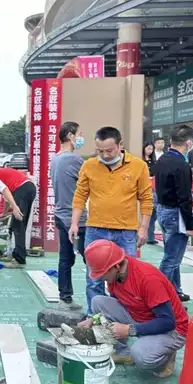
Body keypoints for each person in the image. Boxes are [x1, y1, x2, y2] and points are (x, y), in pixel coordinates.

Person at [69, 126, 153, 315]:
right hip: (95, 230)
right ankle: (95, 316)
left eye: (109, 151)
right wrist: (74, 223)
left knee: (126, 277)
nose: (105, 155)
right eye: (100, 151)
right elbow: (80, 195)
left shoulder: (138, 166)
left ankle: (123, 317)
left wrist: (143, 228)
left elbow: (146, 199)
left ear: (120, 145)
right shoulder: (89, 166)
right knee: (94, 278)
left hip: (126, 232)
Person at [79, 240, 188, 377]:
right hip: (141, 316)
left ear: (116, 266)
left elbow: (168, 322)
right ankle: (123, 353)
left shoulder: (148, 279)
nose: (100, 278)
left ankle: (166, 359)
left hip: (172, 330)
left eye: (102, 274)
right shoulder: (115, 275)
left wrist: (129, 330)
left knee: (141, 356)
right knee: (98, 302)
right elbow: (118, 304)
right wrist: (93, 320)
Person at [152, 124, 193, 302]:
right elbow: (184, 198)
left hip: (163, 210)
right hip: (175, 214)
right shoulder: (181, 165)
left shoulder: (162, 159)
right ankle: (157, 295)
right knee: (172, 258)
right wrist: (190, 225)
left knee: (172, 254)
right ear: (188, 142)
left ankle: (175, 290)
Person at [51, 121, 87, 304]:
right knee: (91, 258)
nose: (81, 138)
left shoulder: (55, 158)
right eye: (79, 134)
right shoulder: (74, 160)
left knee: (65, 258)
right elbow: (92, 180)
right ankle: (96, 296)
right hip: (76, 217)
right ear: (70, 136)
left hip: (60, 214)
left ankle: (65, 295)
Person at [143, 142, 159, 246]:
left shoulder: (154, 162)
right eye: (148, 148)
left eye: (151, 149)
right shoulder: (140, 161)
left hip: (153, 187)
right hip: (144, 188)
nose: (150, 151)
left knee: (153, 215)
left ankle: (150, 237)